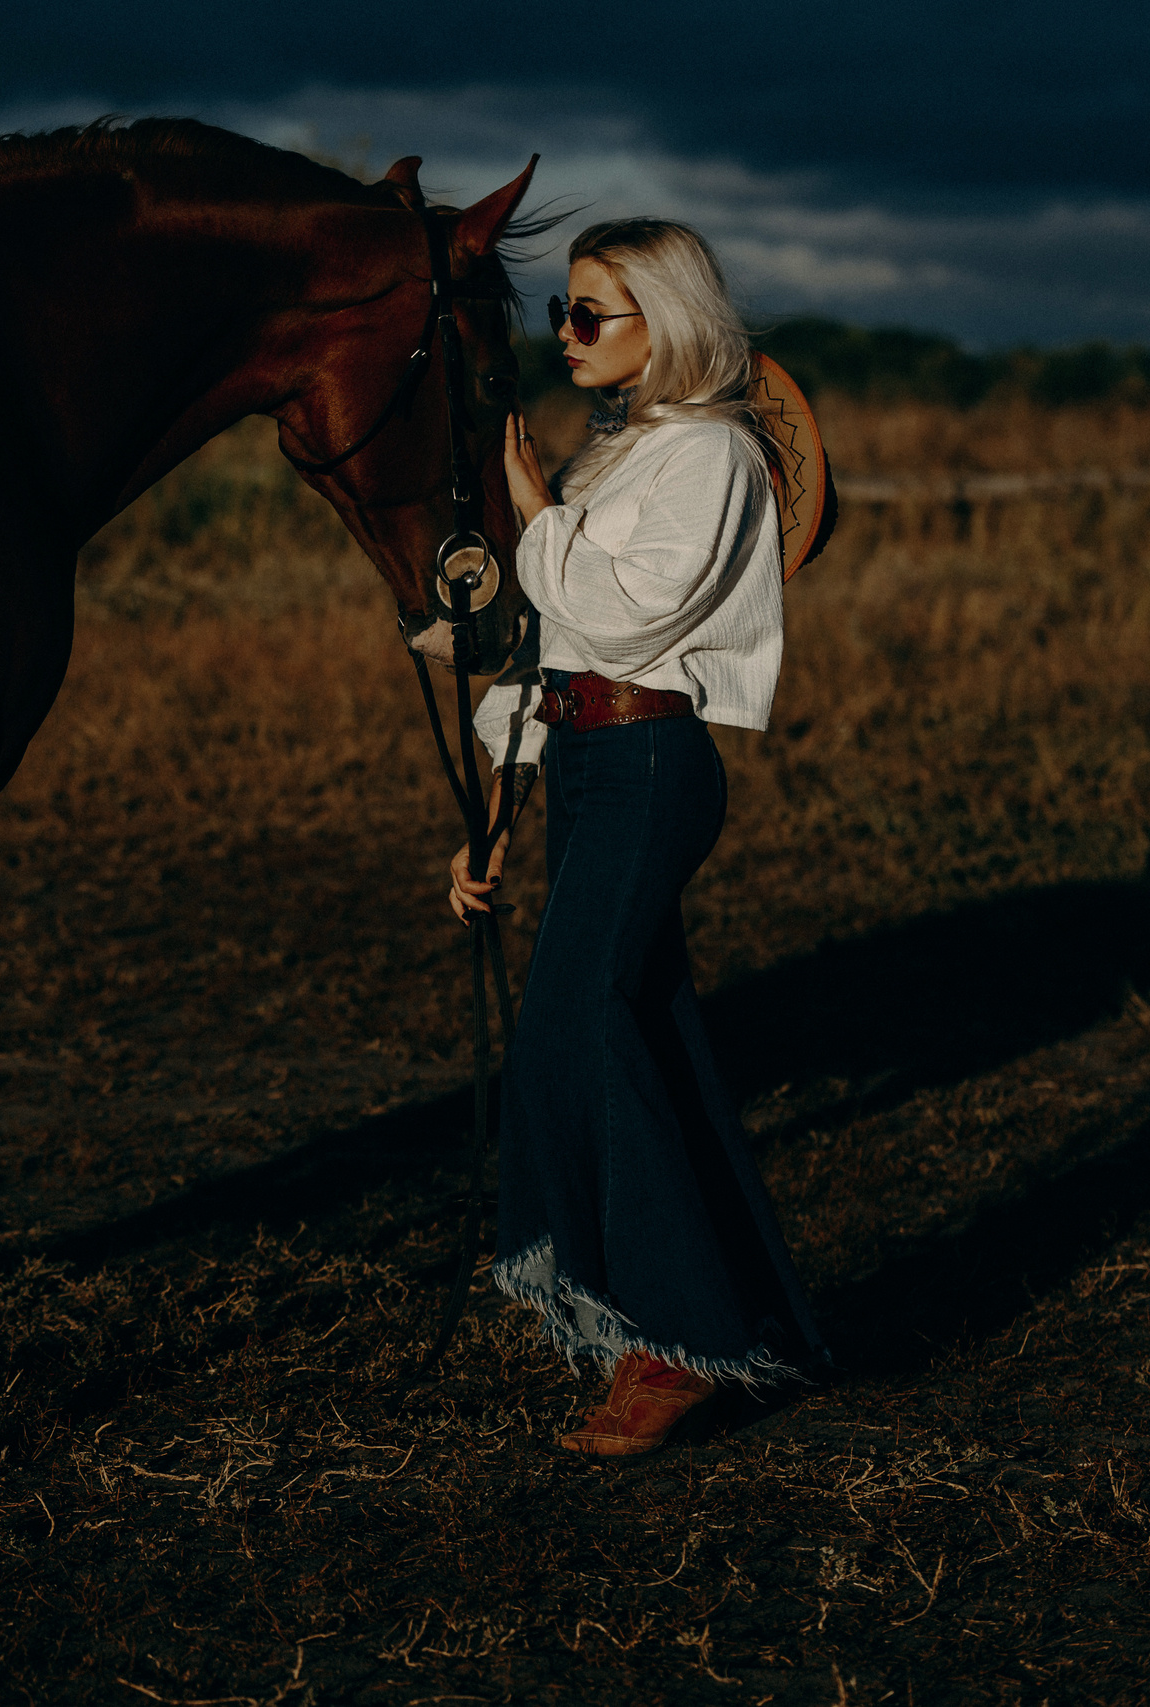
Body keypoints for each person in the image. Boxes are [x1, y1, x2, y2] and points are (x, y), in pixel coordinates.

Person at [448, 217, 826, 1456]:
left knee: (579, 1022)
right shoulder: (629, 453)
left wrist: (532, 509)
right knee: (644, 1030)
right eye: (561, 310)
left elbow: (619, 617)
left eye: (588, 312)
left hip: (654, 761)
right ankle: (737, 1320)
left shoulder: (709, 453)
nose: (563, 332)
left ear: (666, 320)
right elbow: (555, 655)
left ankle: (671, 1344)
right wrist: (492, 812)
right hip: (589, 760)